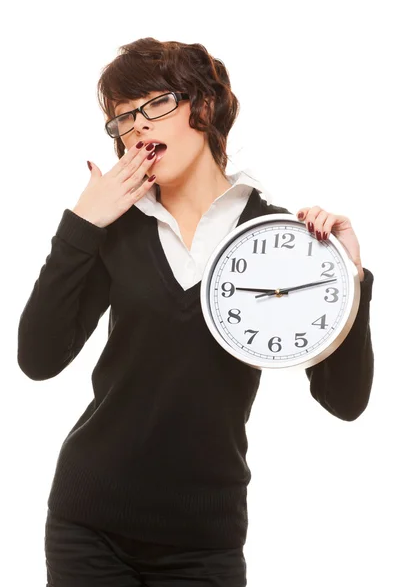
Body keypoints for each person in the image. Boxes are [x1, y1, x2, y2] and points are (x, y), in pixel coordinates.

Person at [17, 37, 374, 587]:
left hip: (203, 545)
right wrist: (81, 225)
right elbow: (37, 359)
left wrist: (348, 281)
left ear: (203, 108)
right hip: (89, 526)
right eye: (122, 118)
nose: (136, 126)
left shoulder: (277, 234)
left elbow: (344, 402)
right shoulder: (116, 228)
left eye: (153, 105)